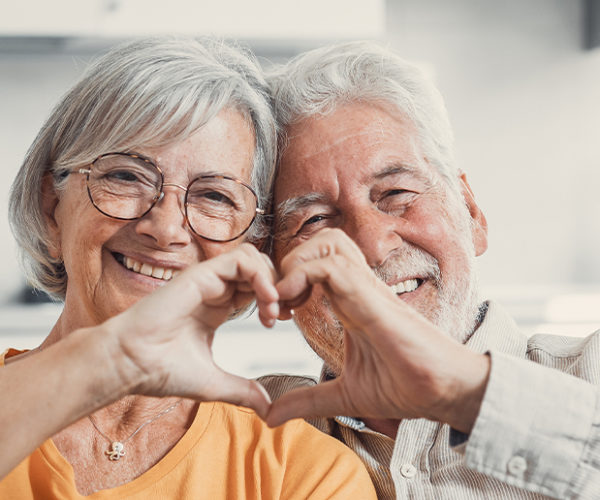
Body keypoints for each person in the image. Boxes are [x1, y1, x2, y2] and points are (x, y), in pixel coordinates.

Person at [0, 37, 377, 499]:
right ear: (50, 205)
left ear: (253, 246)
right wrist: (106, 361)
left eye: (214, 196)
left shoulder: (299, 472)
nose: (165, 228)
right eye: (125, 175)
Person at [258, 41, 600, 499]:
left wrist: (467, 392)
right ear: (273, 277)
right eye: (314, 220)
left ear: (471, 212)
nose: (370, 246)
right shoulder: (242, 429)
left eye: (397, 192)